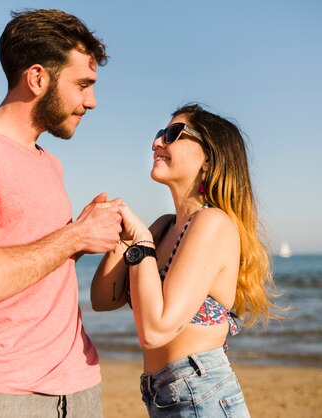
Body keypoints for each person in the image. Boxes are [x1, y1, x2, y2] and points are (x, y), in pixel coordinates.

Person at [0, 9, 122, 418]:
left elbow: (35, 256)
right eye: (83, 85)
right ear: (37, 78)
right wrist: (75, 236)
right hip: (1, 391)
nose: (92, 101)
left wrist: (84, 234)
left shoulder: (51, 163)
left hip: (80, 387)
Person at [91, 103, 280, 417]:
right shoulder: (164, 226)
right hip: (165, 394)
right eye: (159, 135)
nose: (157, 143)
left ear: (208, 157)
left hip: (200, 391)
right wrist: (122, 241)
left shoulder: (212, 223)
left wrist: (139, 243)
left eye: (172, 134)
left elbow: (156, 331)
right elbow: (102, 299)